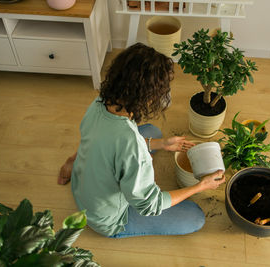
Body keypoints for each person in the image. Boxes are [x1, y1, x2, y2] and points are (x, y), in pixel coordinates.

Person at [58, 43, 226, 238]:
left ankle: (153, 144)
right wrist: (201, 186)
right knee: (195, 216)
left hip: (82, 186)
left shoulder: (99, 103)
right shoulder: (130, 144)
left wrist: (162, 144)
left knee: (151, 132)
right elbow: (150, 205)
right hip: (106, 218)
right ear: (148, 97)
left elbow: (97, 142)